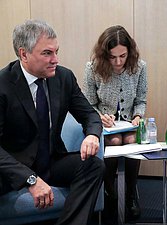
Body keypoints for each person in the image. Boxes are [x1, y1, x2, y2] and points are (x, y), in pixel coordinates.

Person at [0, 19, 105, 225]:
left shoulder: (63, 77)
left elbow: (90, 115)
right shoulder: (3, 85)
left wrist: (92, 135)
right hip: (12, 167)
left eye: (56, 51)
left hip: (51, 160)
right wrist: (29, 179)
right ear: (24, 54)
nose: (55, 59)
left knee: (94, 166)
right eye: (47, 53)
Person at [83, 25, 147, 222]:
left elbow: (141, 100)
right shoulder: (93, 68)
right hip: (104, 123)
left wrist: (138, 116)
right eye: (113, 57)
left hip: (128, 122)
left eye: (123, 56)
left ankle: (129, 195)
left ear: (130, 52)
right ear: (105, 55)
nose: (118, 62)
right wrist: (100, 117)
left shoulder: (139, 67)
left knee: (130, 139)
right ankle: (110, 192)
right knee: (114, 141)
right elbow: (87, 104)